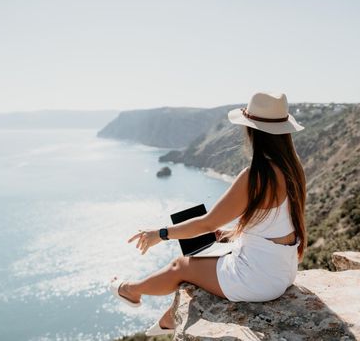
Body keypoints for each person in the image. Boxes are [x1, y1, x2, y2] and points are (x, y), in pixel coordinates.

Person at [109, 91, 307, 336]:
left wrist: (160, 233)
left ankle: (131, 291)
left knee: (181, 265)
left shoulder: (256, 176)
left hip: (260, 279)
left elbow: (207, 222)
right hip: (283, 270)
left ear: (252, 130)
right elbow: (277, 221)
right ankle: (168, 320)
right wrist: (235, 233)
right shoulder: (292, 167)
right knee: (207, 256)